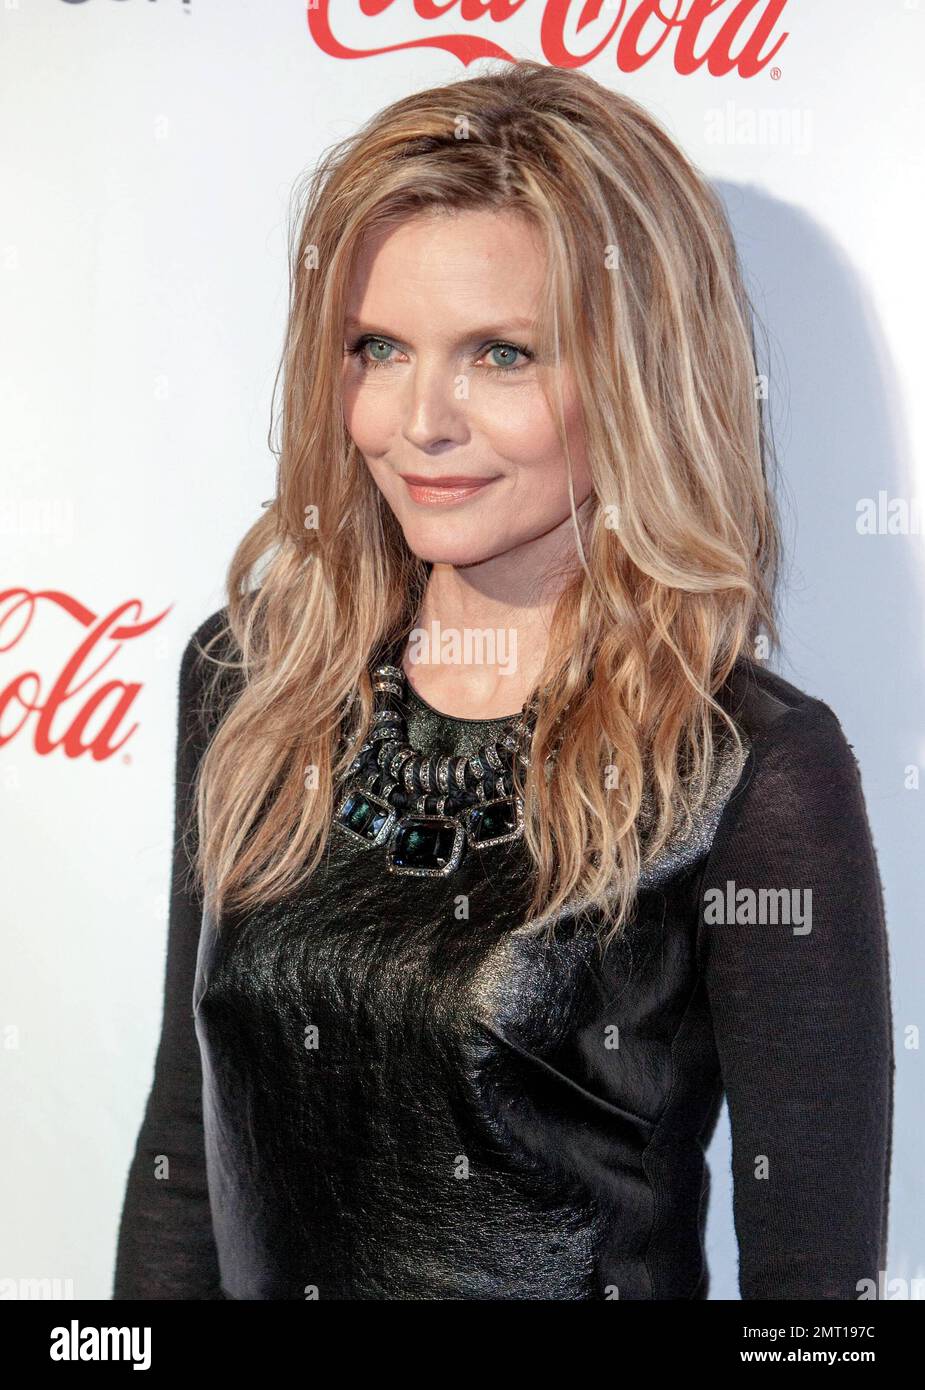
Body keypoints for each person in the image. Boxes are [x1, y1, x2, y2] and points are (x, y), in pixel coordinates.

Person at [113, 60, 893, 1301]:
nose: (420, 418)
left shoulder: (747, 769)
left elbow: (812, 1295)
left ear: (636, 376)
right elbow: (183, 1148)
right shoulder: (250, 681)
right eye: (378, 346)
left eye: (501, 355)